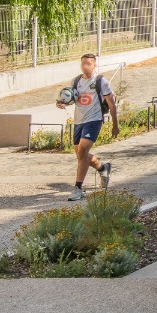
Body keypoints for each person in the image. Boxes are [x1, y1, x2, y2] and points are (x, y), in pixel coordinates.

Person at [55, 52, 117, 201]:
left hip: (94, 120)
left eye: (89, 63)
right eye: (83, 63)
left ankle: (78, 189)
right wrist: (61, 103)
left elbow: (111, 103)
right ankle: (103, 167)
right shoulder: (76, 81)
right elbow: (70, 98)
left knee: (82, 151)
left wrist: (115, 124)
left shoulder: (101, 81)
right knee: (81, 155)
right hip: (79, 121)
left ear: (94, 65)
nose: (85, 66)